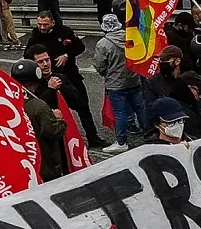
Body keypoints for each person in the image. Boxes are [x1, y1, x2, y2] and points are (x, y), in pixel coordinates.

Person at [24, 13, 96, 141]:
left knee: (83, 106)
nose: (42, 27)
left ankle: (93, 137)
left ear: (53, 23)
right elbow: (27, 58)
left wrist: (67, 55)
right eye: (39, 24)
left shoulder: (64, 32)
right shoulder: (35, 38)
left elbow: (80, 46)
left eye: (45, 24)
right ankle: (62, 140)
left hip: (70, 76)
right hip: (48, 80)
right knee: (52, 111)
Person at [92, 14, 144, 153]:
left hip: (115, 83)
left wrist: (106, 73)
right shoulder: (130, 37)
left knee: (120, 113)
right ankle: (150, 134)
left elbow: (100, 65)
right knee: (140, 108)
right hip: (134, 79)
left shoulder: (103, 44)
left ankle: (122, 142)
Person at [11, 60, 72, 180]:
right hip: (44, 163)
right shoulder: (39, 106)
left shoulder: (9, 101)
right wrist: (59, 120)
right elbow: (52, 131)